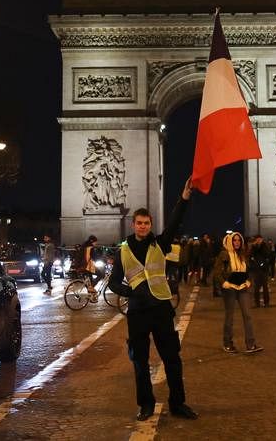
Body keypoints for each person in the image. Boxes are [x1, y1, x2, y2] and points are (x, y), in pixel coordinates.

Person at [107, 179, 198, 422]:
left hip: (161, 309)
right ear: (133, 224)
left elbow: (175, 222)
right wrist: (130, 293)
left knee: (172, 359)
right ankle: (145, 404)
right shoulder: (122, 251)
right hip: (137, 312)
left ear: (151, 225)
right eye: (139, 223)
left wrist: (185, 196)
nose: (143, 226)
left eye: (147, 223)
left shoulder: (161, 242)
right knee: (139, 362)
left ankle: (178, 403)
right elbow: (113, 283)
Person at [213, 232, 263, 353]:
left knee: (248, 316)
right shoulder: (224, 254)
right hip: (229, 288)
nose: (237, 242)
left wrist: (249, 281)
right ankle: (227, 343)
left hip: (243, 288)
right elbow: (217, 272)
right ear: (230, 241)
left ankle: (250, 344)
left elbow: (248, 271)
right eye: (234, 240)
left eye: (239, 240)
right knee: (230, 317)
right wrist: (224, 283)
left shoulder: (243, 254)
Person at [248, 235, 272, 307]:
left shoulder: (265, 246)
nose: (258, 240)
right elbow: (250, 257)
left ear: (262, 239)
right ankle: (257, 303)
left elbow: (268, 255)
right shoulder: (253, 247)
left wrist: (263, 264)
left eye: (260, 239)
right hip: (256, 270)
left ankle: (266, 302)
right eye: (257, 239)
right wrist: (255, 246)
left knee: (265, 287)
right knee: (256, 287)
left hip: (264, 269)